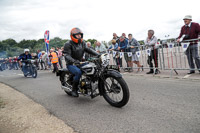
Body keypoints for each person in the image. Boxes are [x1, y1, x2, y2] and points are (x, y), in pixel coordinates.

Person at [63, 27, 99, 97]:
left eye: (80, 35)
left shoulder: (82, 42)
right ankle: (74, 89)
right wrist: (74, 61)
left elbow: (88, 50)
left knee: (92, 68)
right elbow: (67, 55)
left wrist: (97, 54)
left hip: (80, 62)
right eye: (77, 35)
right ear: (73, 36)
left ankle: (89, 85)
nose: (79, 36)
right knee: (78, 72)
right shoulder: (68, 44)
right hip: (71, 64)